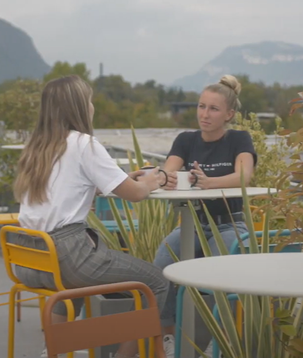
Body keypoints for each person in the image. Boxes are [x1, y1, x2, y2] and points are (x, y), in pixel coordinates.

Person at [13, 75, 169, 358]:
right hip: (67, 256)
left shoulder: (37, 146)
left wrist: (117, 180)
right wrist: (152, 180)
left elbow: (64, 189)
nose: (92, 106)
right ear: (78, 108)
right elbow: (135, 194)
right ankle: (124, 355)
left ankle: (53, 351)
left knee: (78, 286)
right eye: (89, 100)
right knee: (156, 282)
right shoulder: (85, 144)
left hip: (30, 257)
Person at [154, 75, 257, 358]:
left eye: (213, 109)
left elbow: (244, 175)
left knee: (215, 275)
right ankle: (166, 340)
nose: (205, 114)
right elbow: (167, 172)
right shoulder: (186, 140)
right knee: (160, 267)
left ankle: (218, 341)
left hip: (229, 224)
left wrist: (207, 182)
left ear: (229, 114)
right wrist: (164, 178)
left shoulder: (238, 139)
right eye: (201, 106)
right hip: (191, 225)